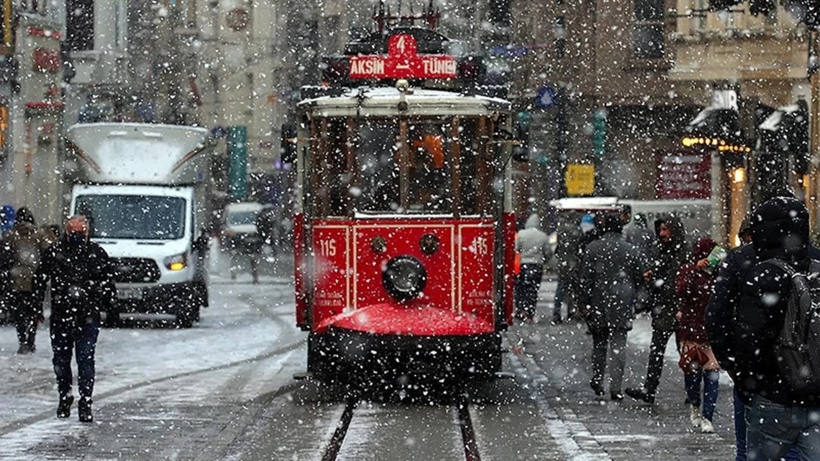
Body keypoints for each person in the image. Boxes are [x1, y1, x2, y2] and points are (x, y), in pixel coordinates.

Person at [727, 197, 820, 460]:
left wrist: (746, 382)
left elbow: (747, 339)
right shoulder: (816, 270)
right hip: (815, 394)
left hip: (772, 393)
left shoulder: (761, 275)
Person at [40, 216, 115, 422]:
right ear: (66, 231)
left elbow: (108, 283)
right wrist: (36, 307)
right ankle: (65, 396)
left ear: (88, 233)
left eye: (80, 232)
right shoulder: (55, 253)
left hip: (86, 316)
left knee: (85, 359)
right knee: (62, 361)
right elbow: (40, 279)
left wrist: (109, 307)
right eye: (74, 232)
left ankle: (85, 401)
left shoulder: (96, 254)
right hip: (63, 316)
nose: (77, 236)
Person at [578, 213, 644, 401]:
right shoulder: (630, 250)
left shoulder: (592, 249)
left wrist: (584, 303)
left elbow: (585, 279)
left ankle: (598, 380)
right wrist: (637, 300)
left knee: (599, 344)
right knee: (618, 346)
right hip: (622, 302)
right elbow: (640, 277)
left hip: (599, 301)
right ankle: (616, 387)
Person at [626, 215, 687, 404]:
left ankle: (691, 390)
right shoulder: (664, 251)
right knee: (658, 351)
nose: (662, 234)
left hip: (678, 309)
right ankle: (650, 389)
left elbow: (672, 282)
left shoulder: (682, 252)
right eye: (660, 230)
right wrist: (652, 276)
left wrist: (656, 280)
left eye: (665, 229)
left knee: (684, 352)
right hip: (666, 309)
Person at [675, 237, 721, 434]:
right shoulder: (688, 270)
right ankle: (695, 404)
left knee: (712, 377)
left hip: (712, 332)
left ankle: (708, 416)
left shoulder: (719, 273)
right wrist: (695, 269)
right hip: (692, 331)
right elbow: (681, 291)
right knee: (693, 376)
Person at [4, 207, 50, 354]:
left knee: (19, 313)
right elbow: (47, 252)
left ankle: (22, 339)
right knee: (34, 311)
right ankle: (31, 339)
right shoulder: (39, 234)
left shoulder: (11, 235)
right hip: (35, 279)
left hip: (16, 279)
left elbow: (5, 255)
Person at [515, 213, 552, 323]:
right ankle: (530, 312)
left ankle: (521, 310)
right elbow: (548, 253)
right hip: (537, 265)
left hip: (524, 264)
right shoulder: (543, 236)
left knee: (522, 288)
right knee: (533, 290)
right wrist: (543, 260)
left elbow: (516, 249)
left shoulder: (521, 234)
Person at [553, 216, 582, 323]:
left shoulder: (561, 230)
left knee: (560, 288)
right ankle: (571, 311)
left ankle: (556, 313)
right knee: (573, 289)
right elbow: (579, 247)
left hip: (563, 263)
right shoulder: (577, 230)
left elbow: (558, 248)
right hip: (573, 263)